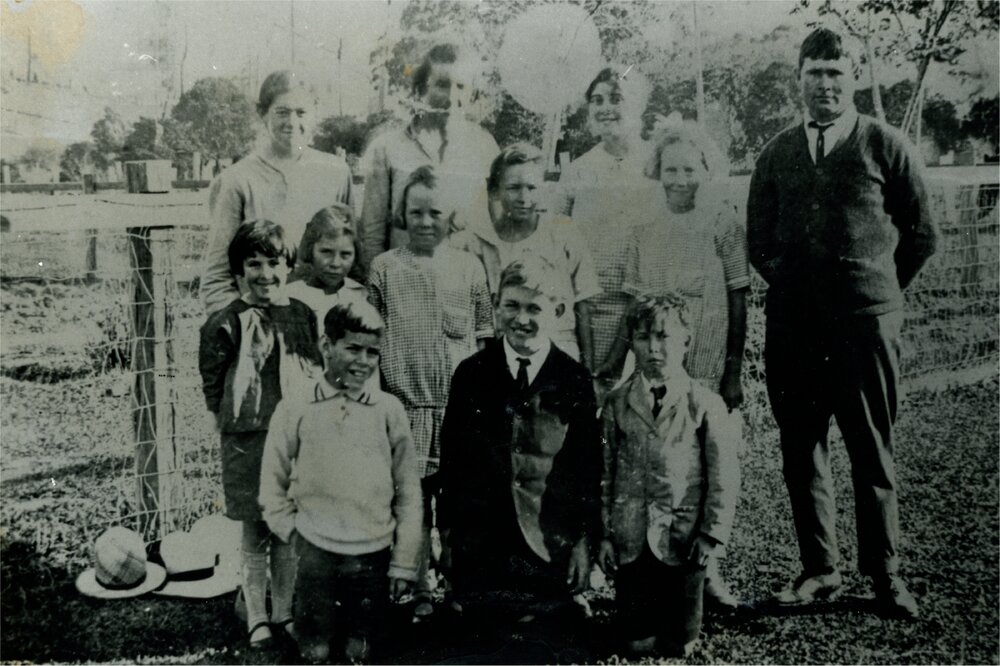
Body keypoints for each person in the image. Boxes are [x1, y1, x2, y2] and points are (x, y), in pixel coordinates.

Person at [746, 27, 938, 619]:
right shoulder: (776, 152)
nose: (825, 83)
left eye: (836, 71)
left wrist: (876, 290)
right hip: (796, 330)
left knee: (871, 450)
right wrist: (800, 290)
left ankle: (884, 576)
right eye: (814, 72)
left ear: (852, 76)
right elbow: (758, 241)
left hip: (865, 329)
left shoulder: (886, 143)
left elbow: (922, 235)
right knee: (801, 450)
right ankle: (820, 569)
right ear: (798, 79)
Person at [600, 122, 749, 608]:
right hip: (660, 356)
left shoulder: (722, 222)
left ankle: (708, 572)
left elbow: (738, 295)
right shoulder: (642, 226)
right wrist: (616, 364)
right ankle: (651, 565)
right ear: (656, 171)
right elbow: (633, 304)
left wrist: (732, 369)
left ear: (705, 170)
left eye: (689, 169)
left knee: (706, 462)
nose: (680, 179)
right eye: (670, 169)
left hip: (704, 353)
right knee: (661, 465)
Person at [437, 258, 601, 628]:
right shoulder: (471, 373)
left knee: (544, 629)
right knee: (481, 627)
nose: (521, 319)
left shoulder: (573, 378)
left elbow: (588, 467)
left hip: (547, 538)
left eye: (534, 308)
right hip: (483, 539)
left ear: (557, 312)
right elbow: (453, 460)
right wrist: (447, 534)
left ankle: (553, 601)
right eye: (511, 306)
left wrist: (581, 542)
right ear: (496, 306)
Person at [259, 301, 422, 663]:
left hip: (372, 555)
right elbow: (273, 477)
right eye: (352, 348)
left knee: (358, 650)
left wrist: (404, 561)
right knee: (314, 650)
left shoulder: (388, 411)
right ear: (325, 345)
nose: (362, 361)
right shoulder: (297, 407)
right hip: (316, 552)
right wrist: (292, 531)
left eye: (372, 352)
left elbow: (409, 492)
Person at [368, 165, 494, 620]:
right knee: (415, 504)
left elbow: (484, 339)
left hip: (459, 410)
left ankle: (459, 585)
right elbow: (371, 340)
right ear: (402, 214)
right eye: (415, 212)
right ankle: (419, 586)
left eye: (434, 212)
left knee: (460, 507)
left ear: (451, 215)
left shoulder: (469, 266)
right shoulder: (384, 268)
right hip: (406, 407)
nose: (424, 221)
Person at [198, 220, 322, 649]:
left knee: (286, 528)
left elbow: (317, 372)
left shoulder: (303, 315)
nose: (265, 274)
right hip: (247, 439)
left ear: (288, 267)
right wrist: (219, 416)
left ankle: (284, 611)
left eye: (273, 262)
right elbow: (212, 377)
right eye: (254, 264)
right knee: (254, 527)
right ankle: (256, 616)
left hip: (295, 438)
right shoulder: (226, 322)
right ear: (238, 271)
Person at [598, 294, 740, 657]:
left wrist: (710, 535)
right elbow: (605, 472)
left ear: (686, 342)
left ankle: (684, 616)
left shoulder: (704, 404)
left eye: (664, 337)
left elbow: (723, 475)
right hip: (632, 538)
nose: (653, 348)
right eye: (643, 337)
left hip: (683, 540)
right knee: (637, 644)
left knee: (679, 645)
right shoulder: (617, 403)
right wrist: (605, 535)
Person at [201, 70, 353, 315]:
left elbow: (351, 256)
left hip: (324, 320)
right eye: (282, 112)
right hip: (261, 319)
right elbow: (216, 278)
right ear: (263, 114)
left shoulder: (336, 171)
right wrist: (244, 331)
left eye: (301, 112)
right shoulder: (236, 179)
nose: (292, 122)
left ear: (314, 112)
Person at [451, 143, 602, 365]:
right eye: (513, 188)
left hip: (557, 346)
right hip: (500, 350)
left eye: (532, 188)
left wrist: (588, 369)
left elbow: (583, 304)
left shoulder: (563, 232)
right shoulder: (477, 240)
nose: (523, 197)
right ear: (494, 190)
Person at [559, 67, 662, 387]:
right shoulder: (578, 172)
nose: (605, 108)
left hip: (647, 314)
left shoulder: (656, 165)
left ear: (639, 104)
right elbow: (557, 244)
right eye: (597, 100)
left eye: (616, 99)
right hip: (589, 315)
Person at [359, 43, 499, 261]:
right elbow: (372, 233)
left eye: (461, 86)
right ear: (421, 90)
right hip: (403, 282)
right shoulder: (387, 148)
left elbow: (494, 225)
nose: (452, 97)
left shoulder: (486, 147)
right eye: (442, 85)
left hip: (462, 284)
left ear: (472, 93)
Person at [285, 204, 370, 328]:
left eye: (345, 254)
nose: (335, 263)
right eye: (326, 252)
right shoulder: (289, 296)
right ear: (310, 249)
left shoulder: (363, 296)